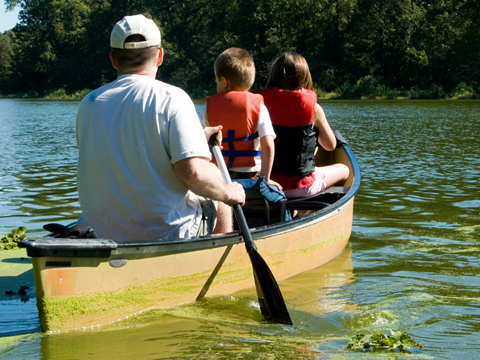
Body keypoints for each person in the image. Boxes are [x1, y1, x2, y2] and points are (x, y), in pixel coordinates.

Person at [76, 15, 245, 242]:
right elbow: (193, 172)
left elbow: (124, 150)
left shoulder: (89, 103)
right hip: (164, 235)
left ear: (114, 59)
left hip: (100, 236)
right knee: (217, 182)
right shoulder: (172, 97)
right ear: (160, 56)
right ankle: (216, 263)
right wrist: (227, 193)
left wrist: (196, 138)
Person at [262, 52, 349, 199]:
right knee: (344, 169)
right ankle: (309, 212)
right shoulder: (314, 109)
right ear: (305, 77)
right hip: (302, 187)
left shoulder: (262, 104)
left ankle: (292, 212)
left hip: (268, 186)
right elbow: (330, 146)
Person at [199, 48, 280, 188]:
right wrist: (265, 178)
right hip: (252, 175)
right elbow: (268, 144)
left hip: (220, 177)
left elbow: (198, 144)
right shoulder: (259, 108)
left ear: (224, 82)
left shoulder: (206, 110)